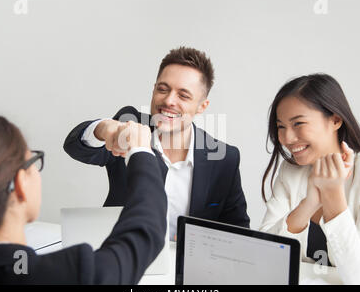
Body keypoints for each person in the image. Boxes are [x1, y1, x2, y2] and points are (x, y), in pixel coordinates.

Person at [0, 113, 167, 285]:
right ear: (21, 184)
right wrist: (140, 151)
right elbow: (144, 231)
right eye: (33, 159)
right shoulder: (70, 275)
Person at [63, 46, 250, 241]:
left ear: (202, 106)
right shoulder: (130, 125)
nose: (169, 100)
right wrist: (103, 129)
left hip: (183, 268)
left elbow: (238, 230)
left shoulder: (224, 158)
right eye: (163, 89)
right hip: (121, 259)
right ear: (154, 89)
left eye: (183, 95)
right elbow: (74, 146)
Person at [259, 73, 360, 284]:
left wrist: (333, 195)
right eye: (281, 127)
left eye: (298, 124)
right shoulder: (290, 172)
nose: (287, 138)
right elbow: (264, 256)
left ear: (335, 120)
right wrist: (310, 203)